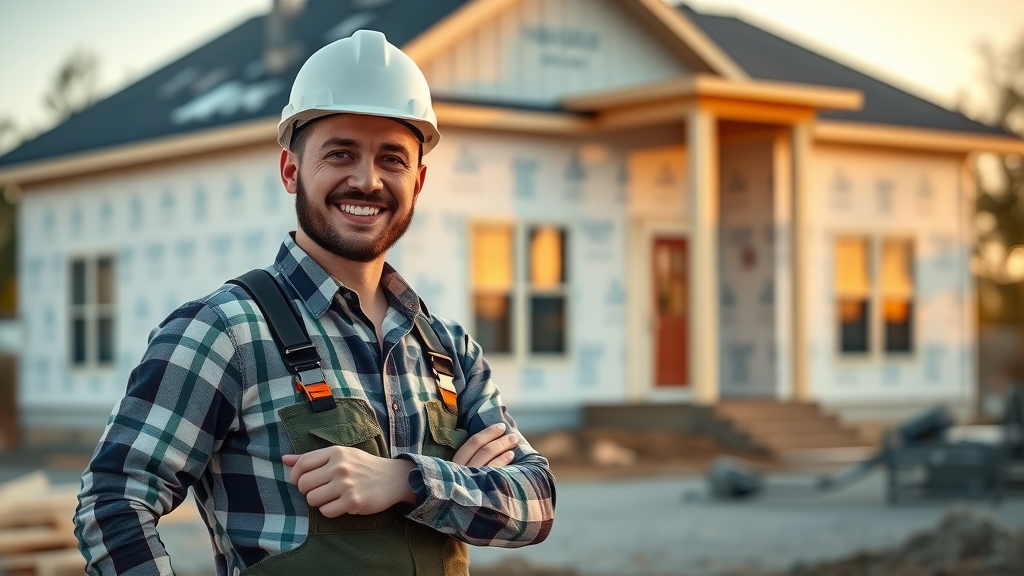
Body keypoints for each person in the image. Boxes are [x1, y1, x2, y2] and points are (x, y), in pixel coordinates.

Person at [74, 29, 556, 576]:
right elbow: (112, 502)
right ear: (290, 170)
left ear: (418, 182)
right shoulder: (225, 331)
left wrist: (404, 479)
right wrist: (467, 486)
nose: (367, 179)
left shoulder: (448, 349)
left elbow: (536, 501)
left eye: (392, 159)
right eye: (340, 153)